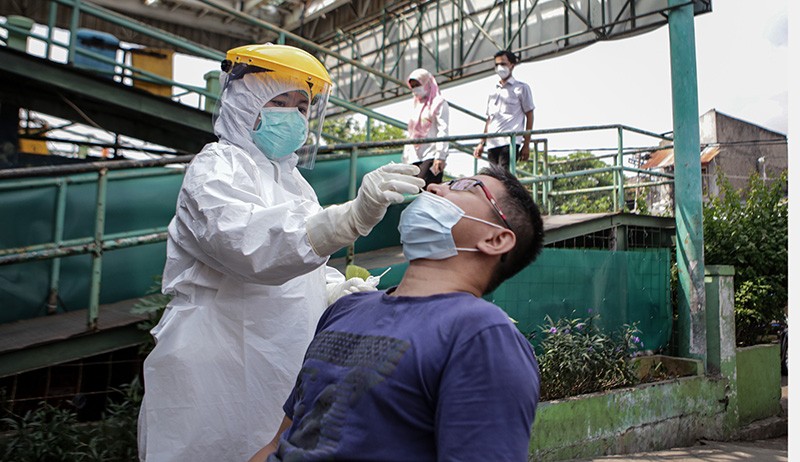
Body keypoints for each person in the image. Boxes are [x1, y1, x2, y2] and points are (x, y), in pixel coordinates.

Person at [137, 44, 425, 462]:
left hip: (282, 358)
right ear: (244, 104)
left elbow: (302, 264)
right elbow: (248, 246)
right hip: (219, 362)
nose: (292, 115)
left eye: (301, 106)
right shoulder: (216, 167)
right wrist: (349, 217)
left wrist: (336, 291)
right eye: (279, 102)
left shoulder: (294, 183)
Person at [250, 164, 545, 462]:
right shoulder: (346, 308)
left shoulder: (482, 335)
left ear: (495, 239)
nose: (434, 187)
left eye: (464, 186)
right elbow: (278, 444)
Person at [472, 50, 535, 170]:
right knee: (493, 176)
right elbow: (489, 120)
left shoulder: (521, 88)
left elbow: (530, 115)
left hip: (510, 142)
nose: (500, 67)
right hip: (492, 143)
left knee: (504, 175)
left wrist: (526, 144)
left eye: (503, 64)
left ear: (512, 65)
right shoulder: (493, 91)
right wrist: (481, 143)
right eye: (497, 65)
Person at [402, 68, 450, 187]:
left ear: (427, 83)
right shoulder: (414, 105)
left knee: (425, 188)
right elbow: (411, 132)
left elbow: (443, 130)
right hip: (414, 156)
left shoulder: (438, 103)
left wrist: (441, 156)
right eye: (413, 86)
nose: (415, 89)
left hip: (431, 154)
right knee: (414, 190)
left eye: (418, 85)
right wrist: (405, 157)